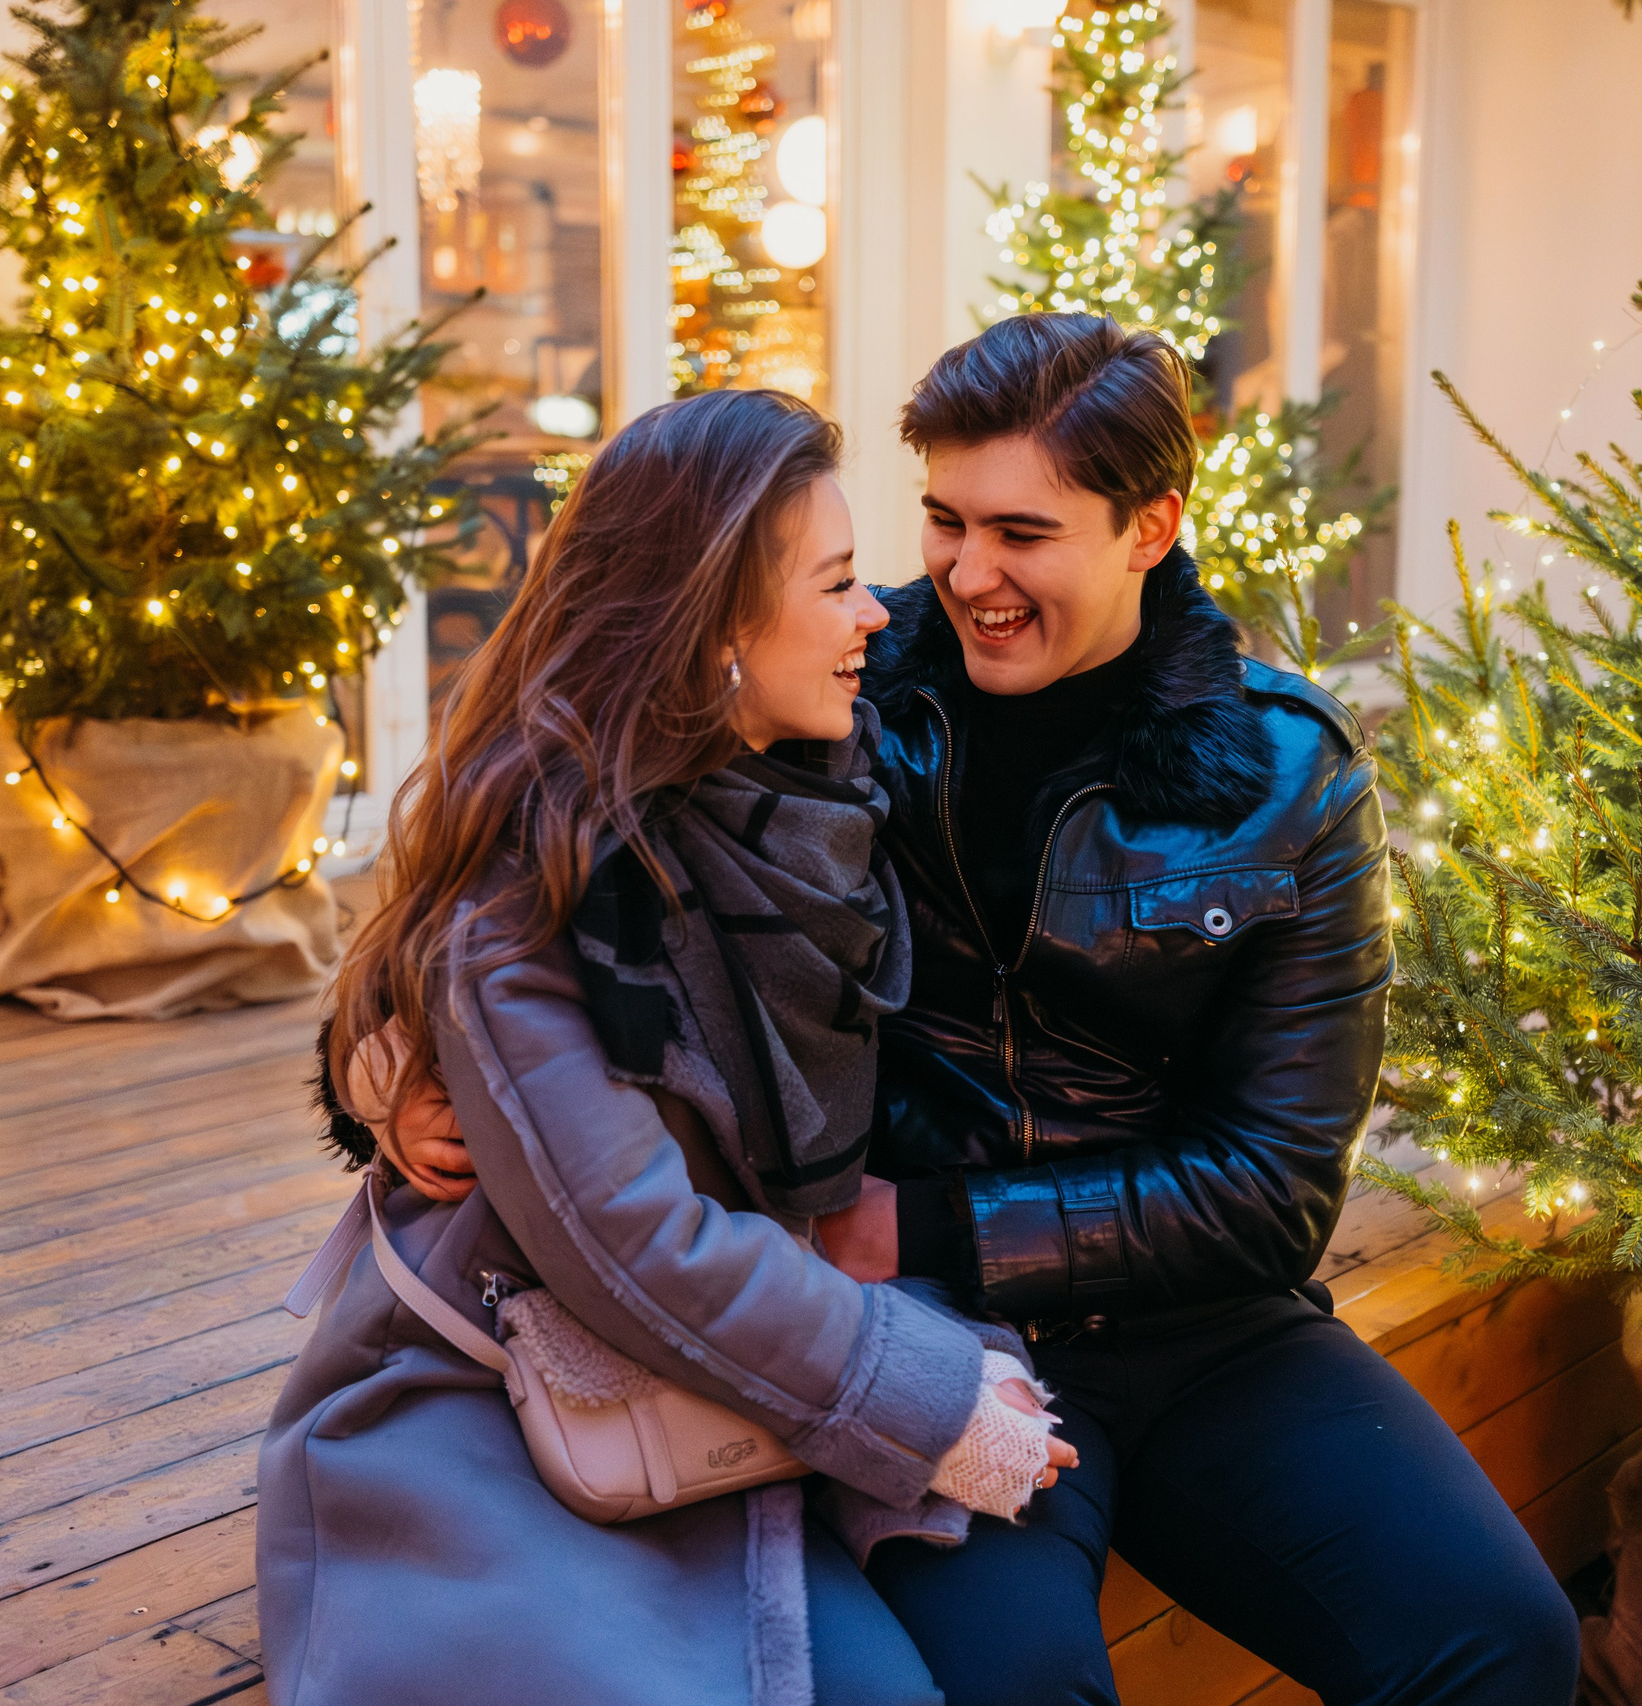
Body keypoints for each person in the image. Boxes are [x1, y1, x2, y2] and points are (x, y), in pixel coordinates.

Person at [813, 313, 1585, 1706]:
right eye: (943, 519)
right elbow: (566, 813)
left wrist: (914, 1223)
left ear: (1150, 525)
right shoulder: (847, 691)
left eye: (1021, 532)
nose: (967, 573)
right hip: (939, 1339)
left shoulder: (1290, 779)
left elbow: (1274, 1189)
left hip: (1197, 1321)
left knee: (1503, 1641)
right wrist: (387, 1051)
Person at [257, 388, 1073, 1706]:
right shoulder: (544, 892)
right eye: (835, 582)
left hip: (735, 1376)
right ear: (712, 638)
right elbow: (642, 1242)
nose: (878, 612)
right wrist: (930, 1397)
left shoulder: (819, 801)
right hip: (513, 1404)